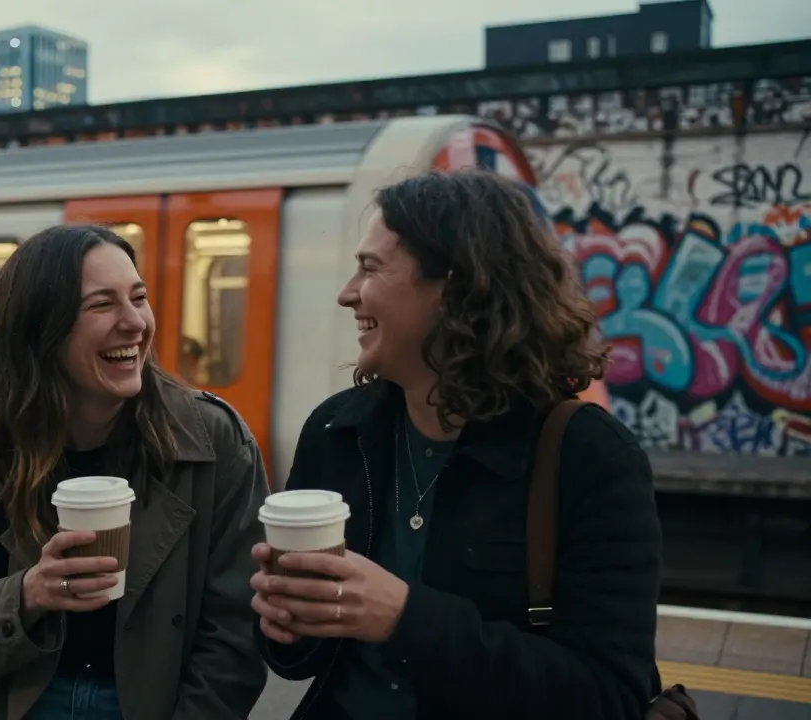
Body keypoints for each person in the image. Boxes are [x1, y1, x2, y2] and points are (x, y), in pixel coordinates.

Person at [250, 169, 661, 719]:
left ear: (453, 288)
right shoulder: (338, 431)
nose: (347, 294)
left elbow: (610, 697)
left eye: (370, 268)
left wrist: (405, 618)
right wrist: (287, 623)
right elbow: (299, 663)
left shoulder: (589, 455)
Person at [0, 224, 269, 720]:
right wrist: (28, 595)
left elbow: (235, 636)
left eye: (139, 298)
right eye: (102, 305)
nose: (135, 323)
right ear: (41, 329)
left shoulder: (214, 441)